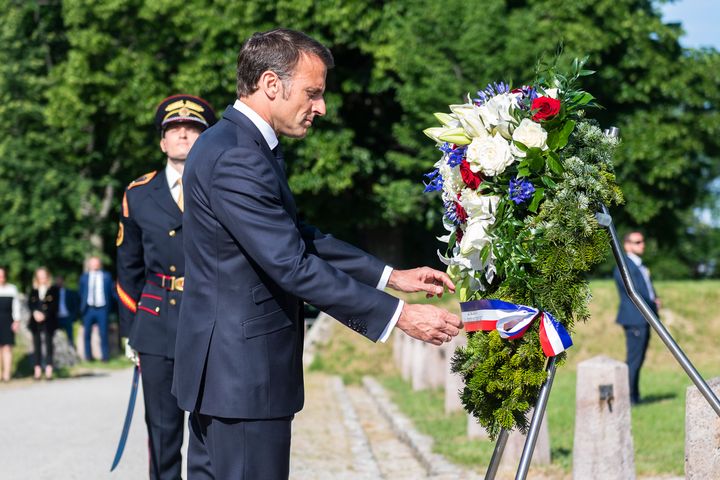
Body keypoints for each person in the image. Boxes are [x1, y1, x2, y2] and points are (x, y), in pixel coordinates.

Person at [173, 28, 462, 480]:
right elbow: (291, 264)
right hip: (244, 378)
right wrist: (399, 316)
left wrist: (390, 276)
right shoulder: (237, 156)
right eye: (313, 93)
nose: (321, 107)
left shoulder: (232, 144)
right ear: (272, 84)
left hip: (228, 377)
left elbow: (296, 237)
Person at [116, 94, 216, 479]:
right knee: (162, 433)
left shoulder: (222, 186)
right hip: (157, 324)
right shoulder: (139, 193)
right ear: (162, 141)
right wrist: (132, 331)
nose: (184, 135)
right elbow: (128, 268)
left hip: (211, 320)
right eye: (175, 129)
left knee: (210, 431)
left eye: (193, 129)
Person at [614, 231, 659, 405]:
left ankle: (634, 395)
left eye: (643, 241)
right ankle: (628, 398)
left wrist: (655, 299)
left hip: (643, 318)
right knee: (633, 360)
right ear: (627, 245)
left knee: (638, 359)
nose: (643, 244)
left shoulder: (639, 265)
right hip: (635, 318)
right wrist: (652, 303)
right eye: (638, 242)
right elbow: (634, 292)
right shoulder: (625, 266)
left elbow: (646, 288)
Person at [79, 256, 114, 361]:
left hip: (102, 308)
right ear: (89, 265)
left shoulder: (106, 276)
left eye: (96, 263)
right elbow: (81, 293)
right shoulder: (84, 277)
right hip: (88, 308)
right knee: (87, 334)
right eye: (92, 263)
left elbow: (111, 292)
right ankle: (88, 357)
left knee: (103, 333)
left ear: (99, 264)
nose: (94, 265)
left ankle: (105, 357)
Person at [28, 266, 59, 380]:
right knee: (37, 346)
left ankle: (49, 369)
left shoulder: (54, 289)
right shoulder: (33, 290)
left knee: (49, 344)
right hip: (35, 322)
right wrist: (35, 313)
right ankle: (37, 369)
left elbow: (54, 305)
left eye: (44, 277)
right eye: (39, 277)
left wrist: (44, 315)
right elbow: (30, 304)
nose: (42, 279)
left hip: (49, 321)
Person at [0, 267, 21, 382]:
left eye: (2, 275)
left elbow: (16, 306)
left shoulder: (12, 289)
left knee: (7, 348)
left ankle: (7, 374)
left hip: (8, 320)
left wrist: (17, 321)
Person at [55, 275, 80, 349]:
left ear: (63, 282)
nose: (59, 282)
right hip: (56, 318)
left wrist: (73, 316)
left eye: (60, 281)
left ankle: (72, 350)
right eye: (57, 281)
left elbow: (75, 305)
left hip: (67, 317)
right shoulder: (53, 293)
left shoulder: (70, 292)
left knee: (70, 336)